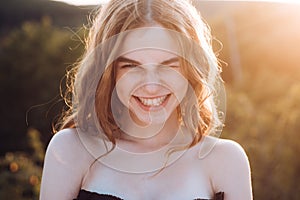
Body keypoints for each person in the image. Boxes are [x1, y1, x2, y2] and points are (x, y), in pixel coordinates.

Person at [40, 0, 252, 199]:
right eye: (131, 66)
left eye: (169, 65)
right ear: (109, 71)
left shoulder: (226, 161)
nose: (151, 86)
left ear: (190, 69)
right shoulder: (70, 150)